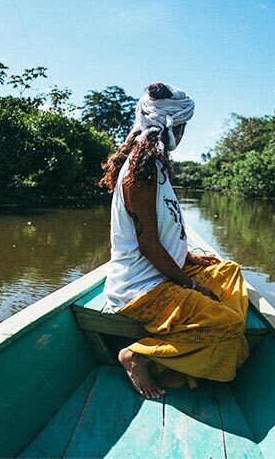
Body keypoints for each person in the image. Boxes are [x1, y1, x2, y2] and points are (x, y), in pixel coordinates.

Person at [99, 82, 250, 399]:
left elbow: (166, 235)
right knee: (231, 326)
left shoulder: (154, 164)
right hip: (140, 289)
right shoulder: (139, 173)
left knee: (229, 270)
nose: (182, 134)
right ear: (172, 127)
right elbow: (149, 247)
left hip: (163, 272)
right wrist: (193, 287)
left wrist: (190, 260)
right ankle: (139, 354)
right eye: (182, 127)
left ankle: (202, 330)